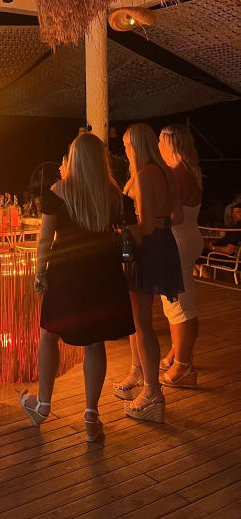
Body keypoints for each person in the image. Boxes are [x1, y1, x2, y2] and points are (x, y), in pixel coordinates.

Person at [20, 132, 135, 442]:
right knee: (94, 343)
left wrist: (40, 272)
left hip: (66, 272)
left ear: (74, 159)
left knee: (49, 334)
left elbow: (45, 239)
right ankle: (91, 416)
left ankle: (42, 406)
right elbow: (130, 231)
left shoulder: (59, 191)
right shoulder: (113, 194)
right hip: (103, 274)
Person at [113, 124, 183, 423]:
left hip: (146, 249)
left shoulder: (144, 175)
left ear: (136, 146)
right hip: (162, 245)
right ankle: (139, 374)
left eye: (127, 145)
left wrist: (117, 233)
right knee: (138, 320)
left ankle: (152, 393)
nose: (125, 149)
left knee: (141, 323)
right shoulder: (164, 173)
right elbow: (172, 217)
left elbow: (145, 228)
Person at [158, 125, 203, 388]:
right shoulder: (189, 171)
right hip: (187, 237)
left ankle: (184, 366)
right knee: (175, 303)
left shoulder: (176, 173)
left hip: (177, 241)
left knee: (180, 305)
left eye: (160, 141)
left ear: (170, 143)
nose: (157, 146)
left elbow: (173, 215)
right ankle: (178, 353)